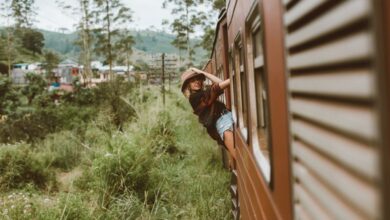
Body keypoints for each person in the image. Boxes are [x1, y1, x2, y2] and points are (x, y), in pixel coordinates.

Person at [181, 67, 236, 166]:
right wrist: (235, 77)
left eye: (198, 79)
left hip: (228, 116)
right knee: (240, 157)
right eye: (193, 81)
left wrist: (203, 73)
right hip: (223, 124)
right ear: (188, 85)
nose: (197, 82)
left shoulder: (202, 92)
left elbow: (220, 82)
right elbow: (216, 88)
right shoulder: (194, 98)